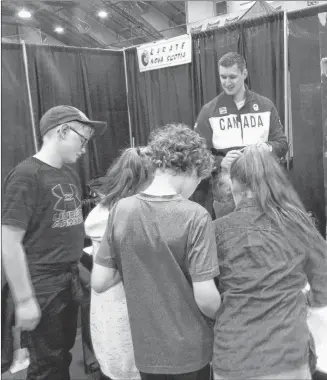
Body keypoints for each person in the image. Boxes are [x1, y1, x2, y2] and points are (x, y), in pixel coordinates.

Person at [91, 124, 221, 380]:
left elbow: (99, 281)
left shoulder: (120, 210)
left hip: (147, 351)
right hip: (191, 350)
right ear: (192, 168)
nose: (196, 188)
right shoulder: (195, 216)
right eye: (198, 180)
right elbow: (206, 298)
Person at [212, 145, 327, 380]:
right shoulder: (297, 223)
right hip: (287, 355)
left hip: (232, 355)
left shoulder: (216, 230)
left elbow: (207, 294)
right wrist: (302, 300)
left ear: (233, 185)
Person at [1, 105, 106, 380]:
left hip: (66, 281)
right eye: (82, 140)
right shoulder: (26, 176)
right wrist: (24, 300)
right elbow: (9, 243)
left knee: (61, 354)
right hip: (43, 285)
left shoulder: (67, 174)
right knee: (48, 364)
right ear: (62, 131)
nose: (84, 149)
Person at [85, 147, 153, 379]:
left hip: (110, 308)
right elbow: (107, 278)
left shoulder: (106, 208)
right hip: (123, 306)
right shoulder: (125, 213)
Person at [194, 51, 288, 218]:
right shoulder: (209, 111)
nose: (227, 82)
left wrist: (264, 149)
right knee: (229, 239)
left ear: (244, 74)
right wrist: (221, 162)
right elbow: (197, 155)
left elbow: (282, 145)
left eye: (232, 77)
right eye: (223, 77)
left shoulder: (265, 105)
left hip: (263, 189)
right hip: (226, 193)